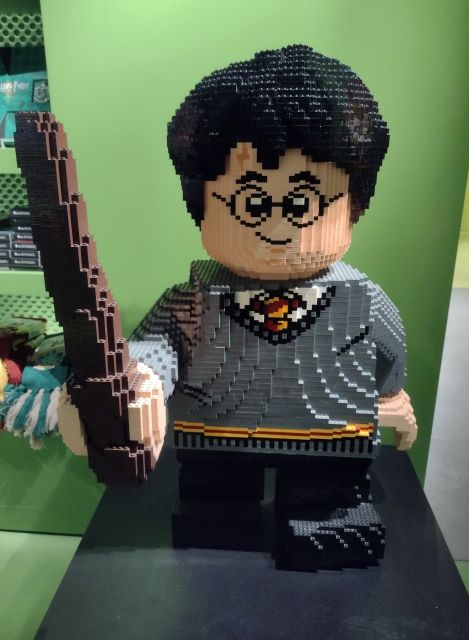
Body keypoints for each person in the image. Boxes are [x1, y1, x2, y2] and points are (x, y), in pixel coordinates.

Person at [15, 45, 418, 571]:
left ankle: (324, 516)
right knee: (215, 509)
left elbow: (388, 349)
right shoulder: (195, 298)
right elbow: (156, 348)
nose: (278, 225)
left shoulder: (359, 298)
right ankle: (220, 515)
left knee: (325, 505)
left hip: (329, 440)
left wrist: (388, 395)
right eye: (252, 202)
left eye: (302, 202)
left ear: (354, 204)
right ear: (201, 203)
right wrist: (136, 385)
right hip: (218, 435)